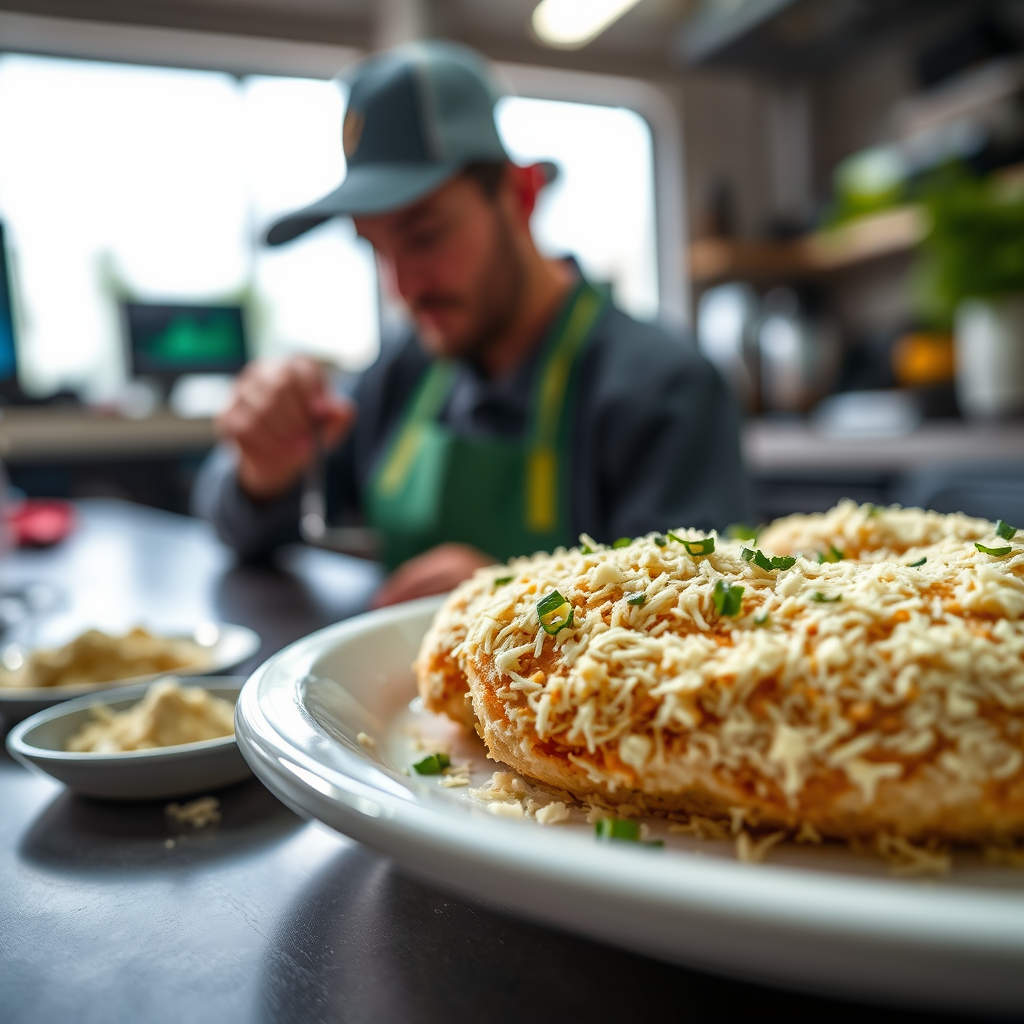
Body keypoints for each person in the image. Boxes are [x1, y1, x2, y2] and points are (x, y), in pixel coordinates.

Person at [195, 41, 750, 607]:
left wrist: (526, 599)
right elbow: (236, 526)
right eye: (376, 249)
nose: (402, 286)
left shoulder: (665, 388)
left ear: (521, 195)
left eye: (424, 235)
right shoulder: (402, 370)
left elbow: (706, 608)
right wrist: (265, 470)